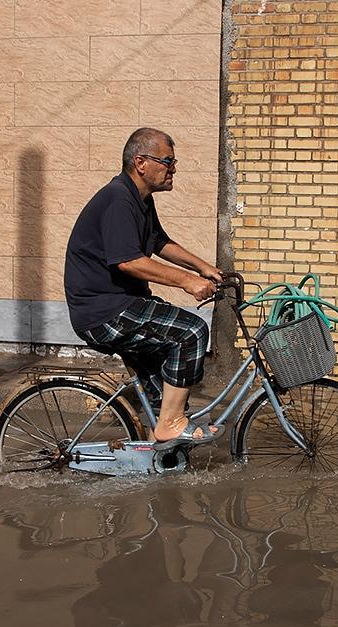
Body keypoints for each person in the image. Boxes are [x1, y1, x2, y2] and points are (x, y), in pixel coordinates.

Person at [63, 127, 222, 450]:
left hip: (122, 305)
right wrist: (188, 281)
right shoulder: (118, 198)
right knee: (191, 331)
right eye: (168, 161)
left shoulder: (139, 200)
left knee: (167, 391)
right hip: (104, 310)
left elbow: (159, 242)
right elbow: (129, 262)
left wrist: (203, 267)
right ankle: (170, 425)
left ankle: (157, 442)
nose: (173, 169)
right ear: (141, 162)